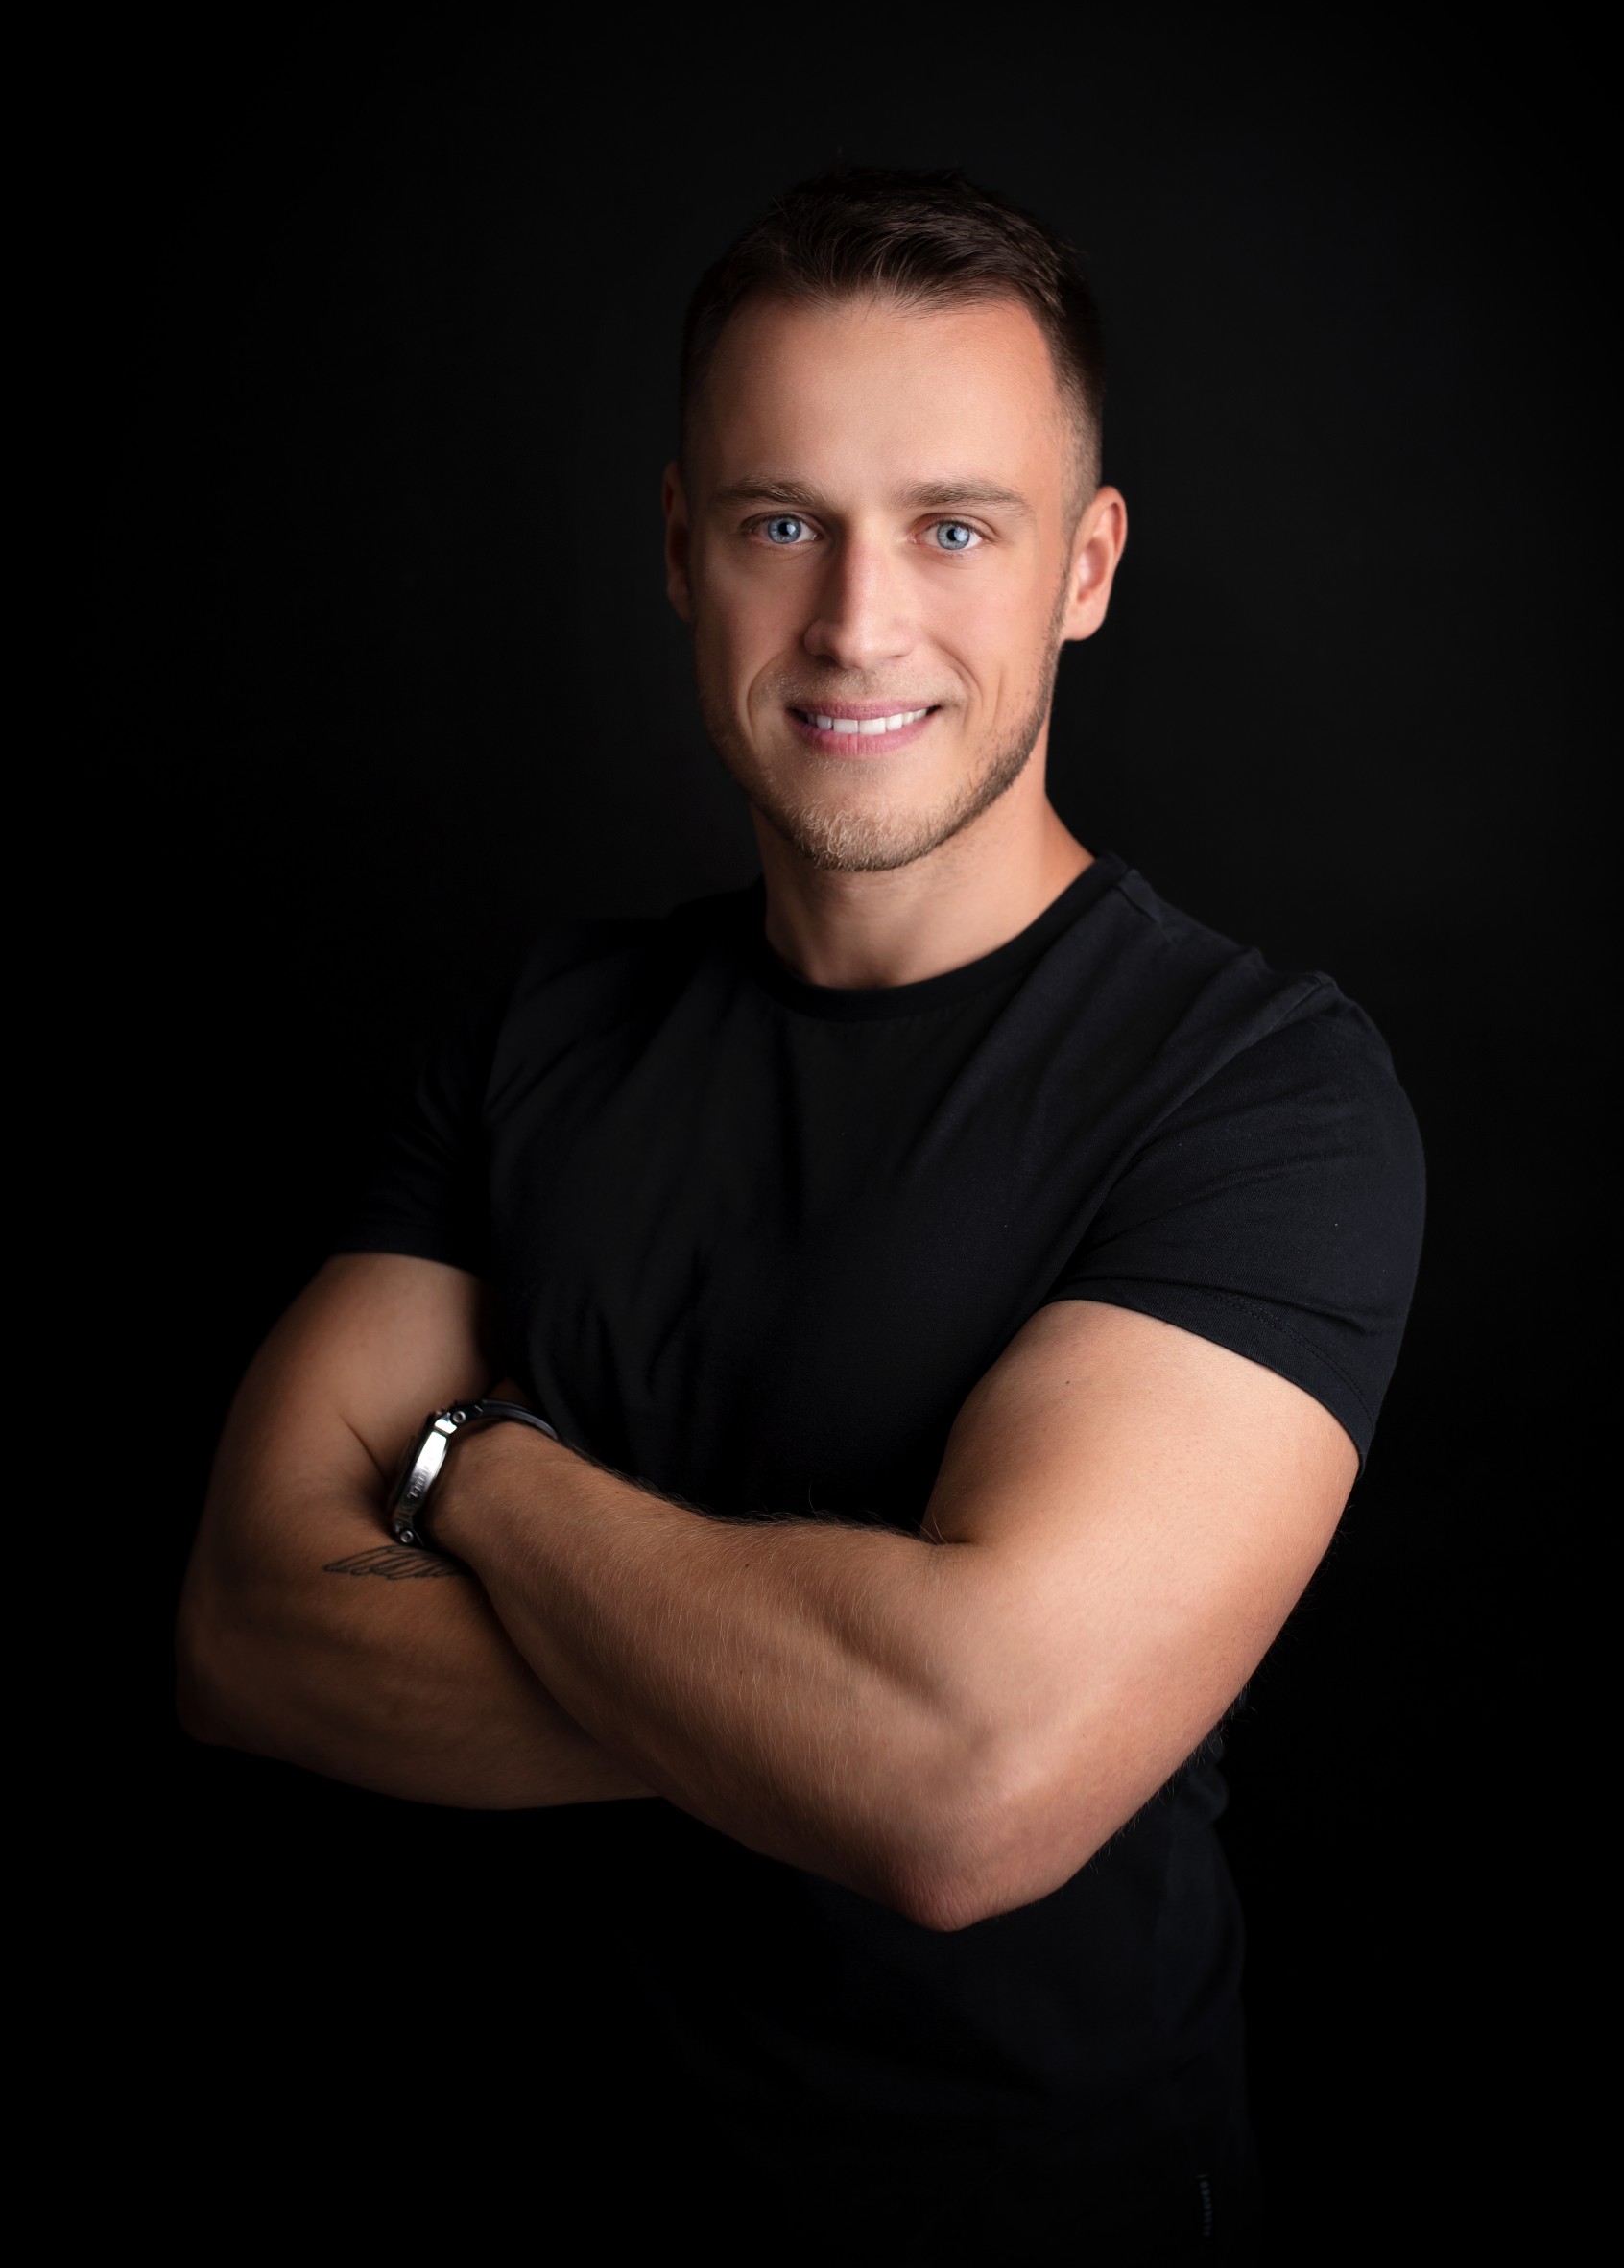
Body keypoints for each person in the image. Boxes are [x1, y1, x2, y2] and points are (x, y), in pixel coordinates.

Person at [176, 169, 1423, 2258]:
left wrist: (475, 1470)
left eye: (954, 527)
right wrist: (823, 1709)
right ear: (680, 546)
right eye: (781, 524)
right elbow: (243, 1632)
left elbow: (960, 1788)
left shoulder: (1256, 1091)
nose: (856, 622)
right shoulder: (550, 1027)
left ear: (1085, 567)